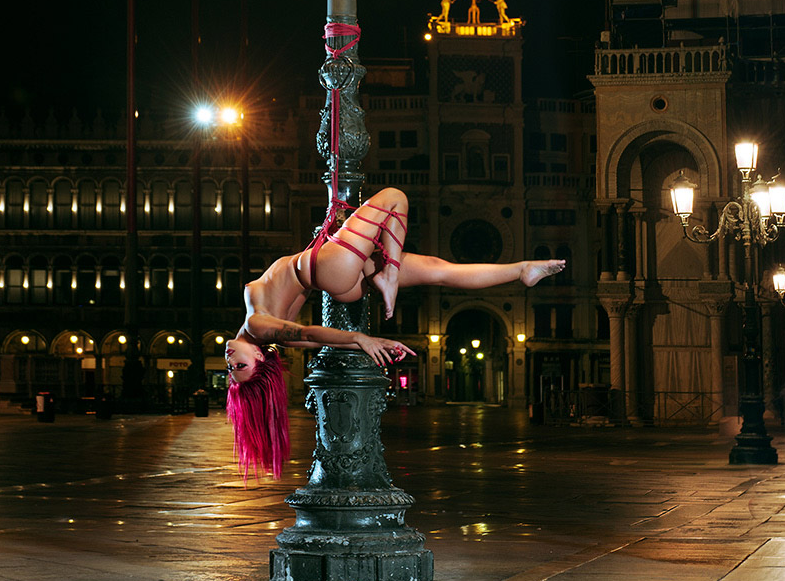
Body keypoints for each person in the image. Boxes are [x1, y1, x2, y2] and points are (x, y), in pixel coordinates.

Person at [223, 187, 565, 478]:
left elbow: (310, 337)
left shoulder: (266, 335)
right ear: (258, 357)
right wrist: (359, 338)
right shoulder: (257, 326)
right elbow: (308, 330)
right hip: (330, 267)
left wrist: (364, 342)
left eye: (230, 370)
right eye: (241, 367)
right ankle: (390, 276)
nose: (230, 362)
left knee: (438, 270)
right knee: (394, 198)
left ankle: (521, 271)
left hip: (336, 272)